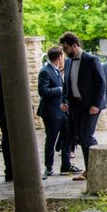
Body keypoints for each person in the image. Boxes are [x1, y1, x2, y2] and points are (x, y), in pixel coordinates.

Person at [59, 32, 106, 181]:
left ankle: (100, 165)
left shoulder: (91, 60)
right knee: (80, 136)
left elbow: (101, 83)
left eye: (66, 48)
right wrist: (64, 100)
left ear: (74, 45)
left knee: (86, 136)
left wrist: (95, 104)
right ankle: (90, 170)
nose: (64, 52)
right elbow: (67, 83)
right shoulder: (68, 62)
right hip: (75, 105)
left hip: (90, 105)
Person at [38, 46, 80, 177]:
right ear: (59, 57)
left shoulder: (58, 70)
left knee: (68, 137)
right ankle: (49, 167)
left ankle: (65, 166)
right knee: (51, 139)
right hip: (51, 113)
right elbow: (42, 91)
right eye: (63, 56)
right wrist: (60, 89)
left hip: (63, 112)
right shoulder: (45, 71)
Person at [0, 61, 12, 181]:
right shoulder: (2, 68)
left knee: (8, 138)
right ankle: (10, 171)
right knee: (9, 139)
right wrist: (6, 108)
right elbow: (2, 90)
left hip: (1, 108)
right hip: (3, 109)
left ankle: (10, 171)